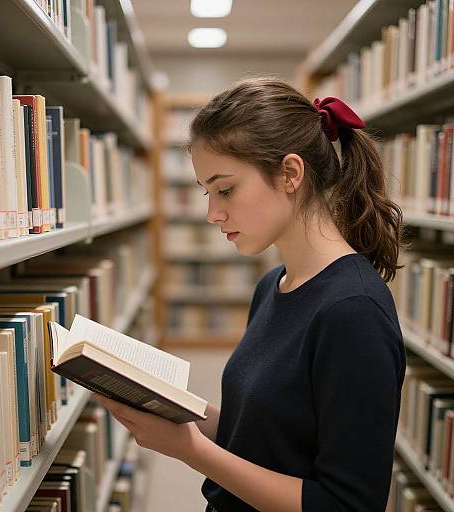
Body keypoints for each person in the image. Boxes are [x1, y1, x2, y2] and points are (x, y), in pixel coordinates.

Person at [96, 77, 407, 512]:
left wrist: (189, 450)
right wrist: (178, 409)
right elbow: (266, 437)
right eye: (208, 192)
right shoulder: (273, 286)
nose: (212, 213)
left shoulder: (353, 312)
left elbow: (345, 504)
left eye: (226, 189)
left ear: (291, 173)